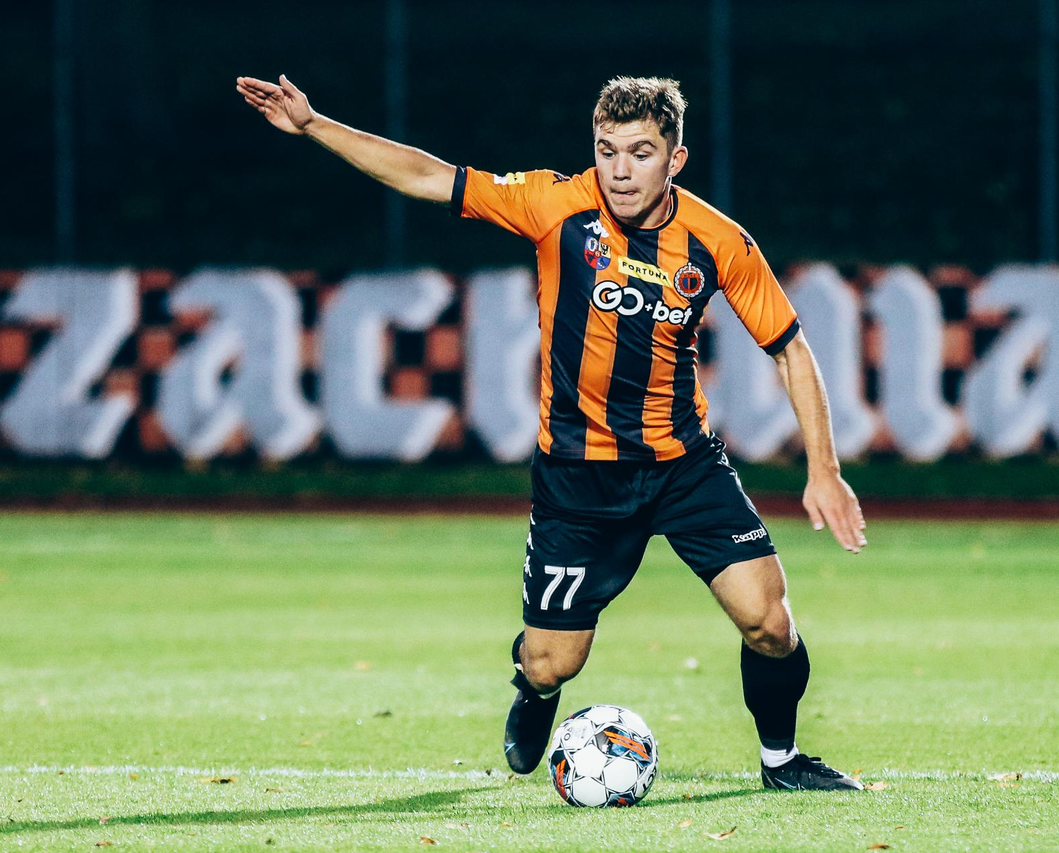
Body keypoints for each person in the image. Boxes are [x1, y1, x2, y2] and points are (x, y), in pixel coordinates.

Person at [236, 73, 868, 791]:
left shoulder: (717, 241)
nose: (620, 170)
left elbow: (789, 348)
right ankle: (534, 689)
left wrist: (824, 470)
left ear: (676, 160)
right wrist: (316, 124)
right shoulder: (553, 204)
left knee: (770, 623)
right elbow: (429, 176)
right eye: (607, 150)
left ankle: (782, 761)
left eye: (640, 153)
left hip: (683, 465)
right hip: (577, 477)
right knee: (552, 662)